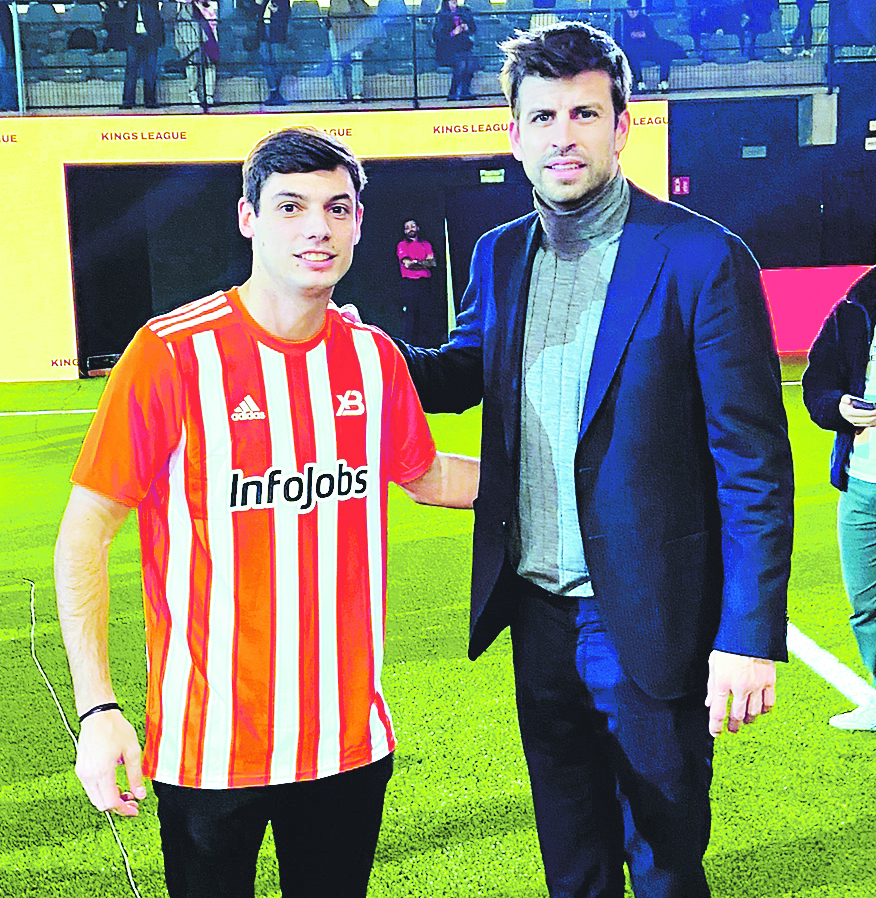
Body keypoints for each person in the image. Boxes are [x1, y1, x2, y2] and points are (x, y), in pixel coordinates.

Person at [395, 21, 793, 898]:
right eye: (541, 117)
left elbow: (755, 465)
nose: (561, 135)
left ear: (622, 125)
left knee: (665, 858)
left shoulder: (702, 258)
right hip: (535, 614)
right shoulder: (502, 255)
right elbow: (464, 370)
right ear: (514, 134)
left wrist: (749, 637)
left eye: (583, 112)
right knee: (570, 862)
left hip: (651, 619)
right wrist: (353, 351)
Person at [54, 126, 479, 898]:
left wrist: (580, 475)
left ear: (357, 224)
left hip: (347, 741)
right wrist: (98, 709)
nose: (317, 227)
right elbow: (85, 534)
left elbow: (428, 477)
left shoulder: (373, 357)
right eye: (290, 206)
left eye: (336, 208)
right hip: (209, 746)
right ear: (248, 218)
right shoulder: (171, 353)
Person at [802, 266, 876, 731]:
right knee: (866, 602)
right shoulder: (855, 308)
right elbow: (817, 386)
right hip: (861, 486)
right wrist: (840, 408)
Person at [617, 0, 682, 92]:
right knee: (632, 57)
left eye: (635, 9)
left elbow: (654, 36)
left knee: (664, 55)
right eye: (630, 9)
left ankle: (663, 82)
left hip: (647, 49)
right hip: (630, 50)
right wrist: (632, 36)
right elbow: (619, 38)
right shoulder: (621, 21)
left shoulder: (645, 19)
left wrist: (644, 35)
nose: (632, 12)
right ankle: (640, 83)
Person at [397, 218, 442, 346]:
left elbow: (432, 262)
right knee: (411, 316)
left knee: (426, 316)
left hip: (425, 284)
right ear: (405, 231)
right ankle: (409, 347)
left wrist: (416, 262)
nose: (410, 229)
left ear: (417, 228)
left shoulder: (426, 244)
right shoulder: (402, 245)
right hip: (410, 284)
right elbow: (408, 264)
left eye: (413, 226)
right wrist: (421, 263)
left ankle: (427, 346)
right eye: (407, 227)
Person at [174, 0, 219, 109]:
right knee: (192, 64)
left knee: (210, 65)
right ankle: (193, 93)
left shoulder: (211, 4)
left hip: (209, 32)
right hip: (191, 34)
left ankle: (209, 95)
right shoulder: (185, 6)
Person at [121, 0, 165, 109]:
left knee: (150, 70)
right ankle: (128, 101)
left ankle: (150, 101)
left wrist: (157, 39)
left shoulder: (151, 4)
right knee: (131, 70)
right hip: (133, 39)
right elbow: (125, 23)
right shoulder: (130, 5)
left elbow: (158, 22)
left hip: (150, 39)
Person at [328, 0, 374, 101]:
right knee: (340, 63)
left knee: (351, 62)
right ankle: (346, 94)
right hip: (344, 30)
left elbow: (367, 13)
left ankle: (348, 94)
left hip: (350, 30)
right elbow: (343, 10)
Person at [433, 0, 477, 101]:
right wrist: (453, 33)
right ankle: (453, 92)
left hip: (463, 47)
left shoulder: (463, 12)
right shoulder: (441, 16)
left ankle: (465, 92)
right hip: (448, 50)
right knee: (461, 64)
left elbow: (473, 28)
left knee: (469, 62)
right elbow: (439, 36)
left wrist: (467, 27)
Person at [256, 0, 289, 105]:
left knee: (278, 60)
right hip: (263, 31)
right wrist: (259, 4)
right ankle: (273, 90)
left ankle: (276, 90)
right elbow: (254, 11)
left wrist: (276, 10)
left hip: (277, 32)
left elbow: (286, 13)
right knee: (266, 60)